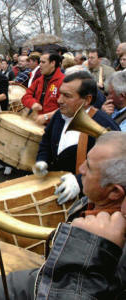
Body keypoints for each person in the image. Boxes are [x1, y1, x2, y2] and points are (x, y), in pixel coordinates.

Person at [0, 131, 126, 299]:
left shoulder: (112, 249)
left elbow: (44, 284)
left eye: (88, 167)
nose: (80, 169)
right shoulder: (93, 204)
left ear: (115, 192)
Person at [32, 71, 120, 205]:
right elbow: (46, 141)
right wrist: (42, 160)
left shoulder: (105, 125)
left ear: (87, 100)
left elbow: (114, 167)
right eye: (60, 93)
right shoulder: (58, 116)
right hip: (56, 191)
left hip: (86, 201)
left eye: (67, 96)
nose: (59, 100)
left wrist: (79, 181)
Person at [21, 51, 64, 125]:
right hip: (38, 123)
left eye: (43, 62)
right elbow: (25, 96)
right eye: (39, 62)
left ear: (52, 63)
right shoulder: (39, 80)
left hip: (55, 125)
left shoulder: (63, 81)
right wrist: (33, 103)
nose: (40, 65)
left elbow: (66, 108)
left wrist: (47, 116)